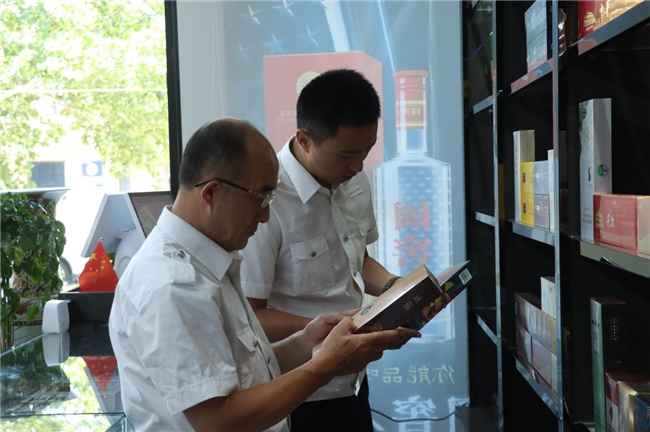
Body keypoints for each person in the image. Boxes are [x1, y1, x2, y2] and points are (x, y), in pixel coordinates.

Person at [108, 118, 418, 432]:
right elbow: (217, 421)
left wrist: (307, 342)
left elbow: (246, 374)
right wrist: (326, 366)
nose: (265, 215)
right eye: (260, 197)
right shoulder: (174, 285)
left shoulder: (209, 262)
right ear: (212, 193)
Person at [240, 69, 403, 432]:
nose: (358, 166)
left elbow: (357, 260)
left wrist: (397, 288)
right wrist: (330, 330)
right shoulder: (266, 200)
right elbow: (250, 315)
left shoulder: (353, 180)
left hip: (354, 380)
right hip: (297, 392)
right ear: (304, 139)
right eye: (347, 155)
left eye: (366, 151)